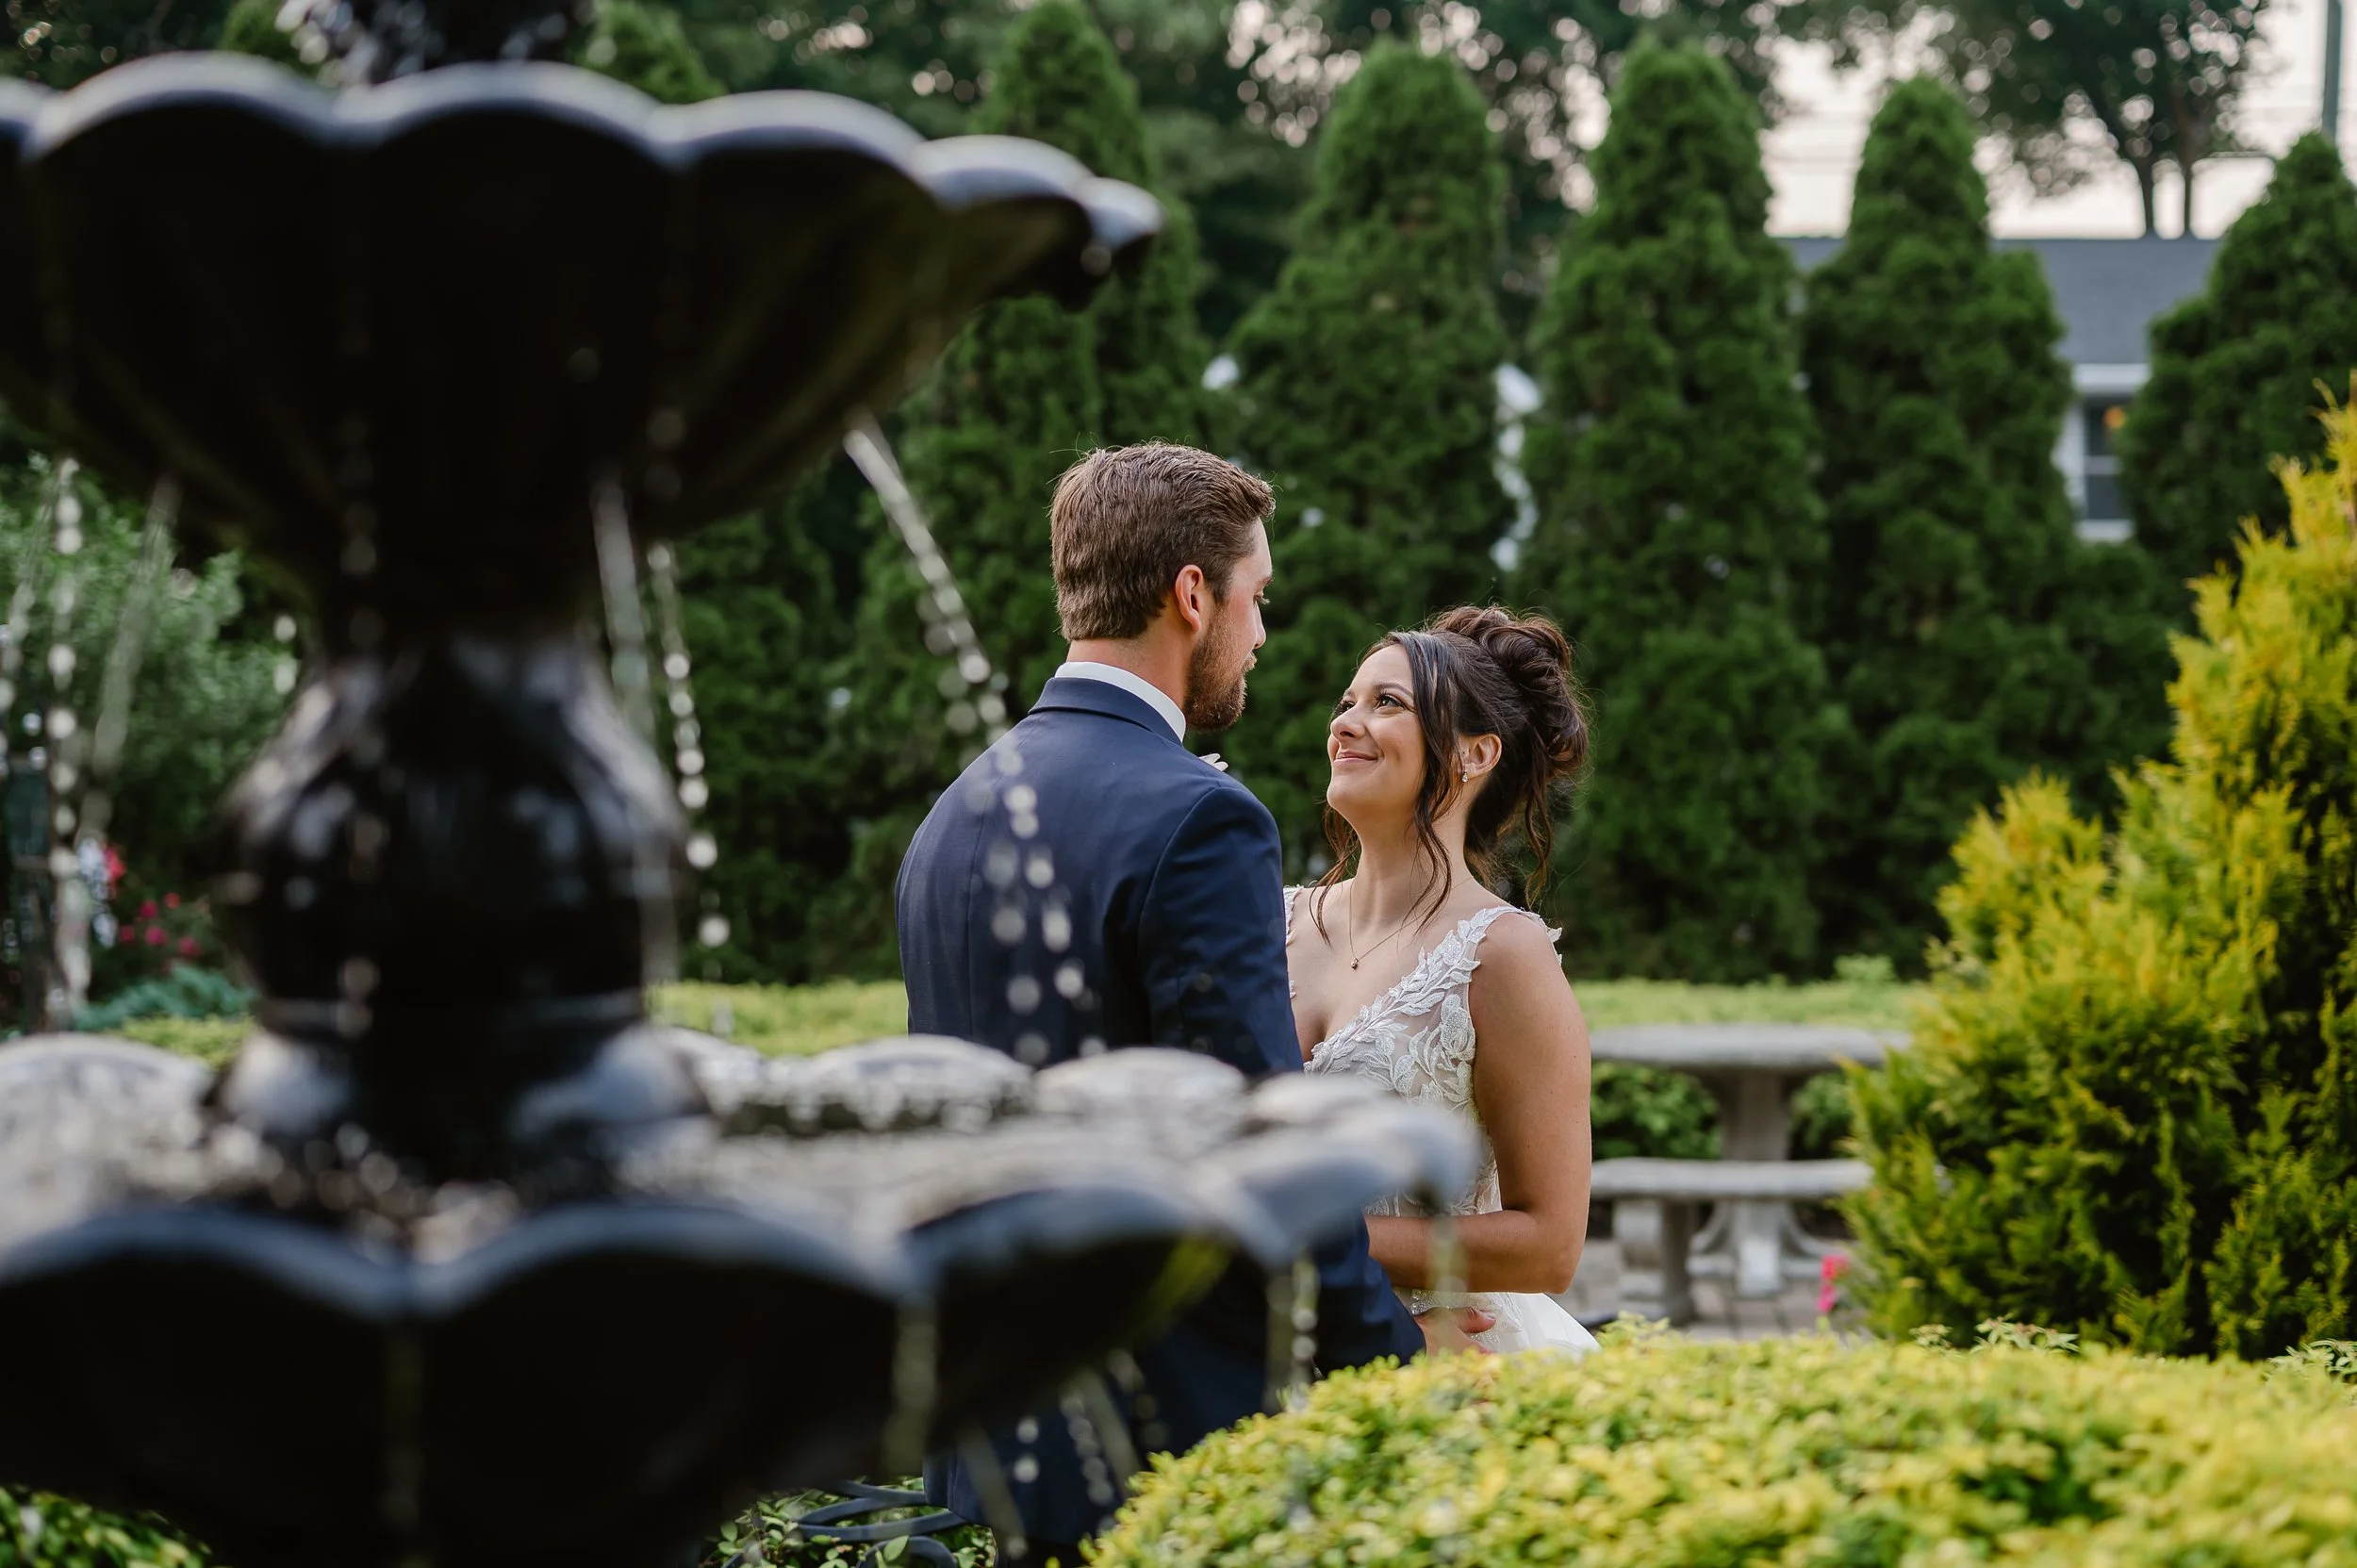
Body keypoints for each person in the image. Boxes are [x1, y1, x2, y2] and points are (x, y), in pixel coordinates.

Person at [896, 443, 1491, 1567]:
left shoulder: (955, 815)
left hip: (989, 1435)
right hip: (1164, 1451)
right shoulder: (1200, 820)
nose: (1259, 634)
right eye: (1255, 597)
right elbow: (1264, 1160)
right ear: (1190, 594)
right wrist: (1398, 1376)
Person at [1286, 606, 1600, 1355]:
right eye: (1346, 703)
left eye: (1386, 703)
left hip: (1454, 1367)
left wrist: (1324, 1236)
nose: (1347, 723)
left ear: (1474, 753)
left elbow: (1552, 1243)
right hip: (1279, 1355)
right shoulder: (1274, 918)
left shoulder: (1502, 953)